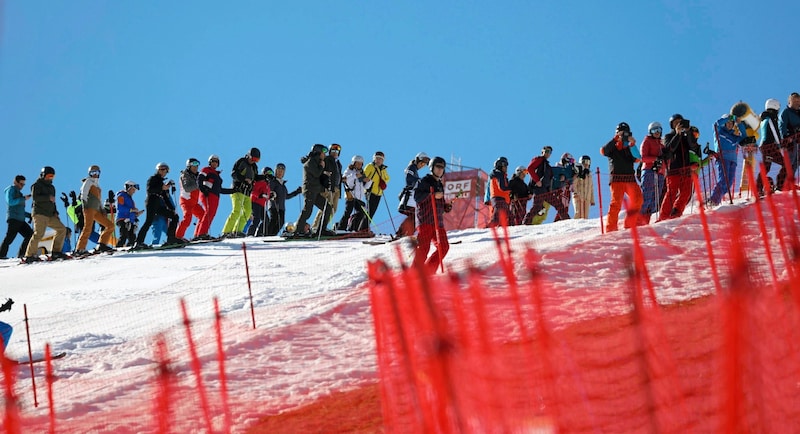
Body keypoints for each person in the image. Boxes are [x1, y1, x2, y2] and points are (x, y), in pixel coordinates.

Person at [600, 122, 643, 232]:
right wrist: (615, 139)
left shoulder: (629, 148)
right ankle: (611, 228)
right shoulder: (612, 148)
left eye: (626, 133)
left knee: (638, 199)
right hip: (617, 180)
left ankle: (629, 223)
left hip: (630, 179)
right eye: (622, 133)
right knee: (616, 203)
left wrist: (633, 144)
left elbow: (638, 158)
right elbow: (603, 151)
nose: (624, 135)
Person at [658, 114, 701, 221]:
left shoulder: (686, 136)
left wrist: (689, 131)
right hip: (673, 169)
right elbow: (669, 149)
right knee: (671, 193)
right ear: (672, 125)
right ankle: (663, 216)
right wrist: (677, 134)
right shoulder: (668, 136)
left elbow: (693, 146)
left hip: (686, 169)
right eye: (675, 122)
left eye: (680, 122)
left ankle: (676, 212)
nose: (678, 124)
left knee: (686, 193)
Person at [413, 156, 451, 274]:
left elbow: (439, 201)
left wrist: (445, 206)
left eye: (442, 168)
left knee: (443, 247)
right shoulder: (424, 181)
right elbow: (417, 197)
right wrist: (432, 195)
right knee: (424, 248)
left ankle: (428, 272)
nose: (440, 170)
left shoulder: (439, 184)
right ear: (432, 167)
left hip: (437, 222)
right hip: (425, 220)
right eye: (437, 167)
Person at [132, 163, 183, 250]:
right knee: (148, 222)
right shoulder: (153, 179)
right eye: (161, 169)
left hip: (157, 204)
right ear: (157, 170)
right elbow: (150, 190)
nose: (163, 172)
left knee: (174, 216)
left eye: (165, 170)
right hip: (151, 202)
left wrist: (172, 208)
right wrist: (161, 188)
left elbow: (165, 197)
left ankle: (171, 238)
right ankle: (138, 242)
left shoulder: (161, 182)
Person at [23, 166, 68, 262]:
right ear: (43, 175)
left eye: (52, 176)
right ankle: (30, 255)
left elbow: (53, 202)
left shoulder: (52, 187)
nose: (50, 178)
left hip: (50, 214)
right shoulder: (37, 185)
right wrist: (48, 197)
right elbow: (35, 198)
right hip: (40, 213)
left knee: (62, 229)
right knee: (39, 233)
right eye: (49, 176)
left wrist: (55, 212)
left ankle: (56, 252)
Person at [708, 114, 752, 206]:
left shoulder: (734, 136)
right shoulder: (719, 131)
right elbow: (716, 124)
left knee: (729, 183)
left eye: (731, 123)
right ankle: (713, 200)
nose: (729, 124)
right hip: (723, 158)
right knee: (723, 180)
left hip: (733, 160)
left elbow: (744, 137)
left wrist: (739, 124)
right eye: (727, 123)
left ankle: (716, 200)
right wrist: (730, 118)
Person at [293, 144, 334, 237]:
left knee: (327, 207)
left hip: (315, 190)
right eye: (323, 152)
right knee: (307, 211)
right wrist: (322, 167)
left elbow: (318, 176)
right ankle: (298, 230)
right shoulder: (310, 162)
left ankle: (321, 229)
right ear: (318, 152)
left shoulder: (316, 162)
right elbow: (316, 173)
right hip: (310, 190)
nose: (324, 155)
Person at [74, 165, 116, 255]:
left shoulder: (97, 185)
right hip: (89, 208)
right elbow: (83, 193)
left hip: (96, 210)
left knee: (110, 225)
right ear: (89, 173)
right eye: (93, 173)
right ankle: (80, 249)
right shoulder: (88, 181)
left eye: (97, 173)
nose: (95, 175)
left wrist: (102, 209)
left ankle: (102, 244)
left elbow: (99, 200)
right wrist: (84, 205)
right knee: (88, 228)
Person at [222, 148, 260, 238]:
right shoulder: (241, 161)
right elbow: (234, 174)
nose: (254, 161)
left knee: (247, 212)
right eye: (253, 158)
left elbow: (256, 178)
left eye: (256, 160)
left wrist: (265, 177)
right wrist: (243, 180)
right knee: (236, 211)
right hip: (238, 190)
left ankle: (238, 230)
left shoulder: (254, 167)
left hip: (247, 193)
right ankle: (226, 231)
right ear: (248, 155)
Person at [195, 155, 233, 240]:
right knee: (209, 213)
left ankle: (201, 233)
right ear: (210, 162)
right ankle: (201, 233)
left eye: (216, 162)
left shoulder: (217, 175)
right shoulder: (206, 170)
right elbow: (199, 179)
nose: (215, 163)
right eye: (213, 161)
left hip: (215, 196)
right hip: (208, 194)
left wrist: (233, 190)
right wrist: (203, 189)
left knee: (211, 214)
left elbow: (220, 190)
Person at [396, 152, 430, 237]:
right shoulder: (411, 167)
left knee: (415, 216)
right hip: (409, 198)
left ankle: (404, 233)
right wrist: (421, 182)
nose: (422, 165)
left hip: (412, 199)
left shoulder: (414, 170)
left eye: (424, 164)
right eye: (422, 163)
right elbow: (409, 179)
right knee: (415, 216)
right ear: (417, 160)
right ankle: (402, 233)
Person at [639, 122, 666, 224]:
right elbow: (643, 158)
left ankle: (645, 221)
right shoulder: (647, 141)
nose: (657, 132)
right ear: (650, 132)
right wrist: (655, 159)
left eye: (659, 130)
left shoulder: (661, 144)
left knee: (654, 200)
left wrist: (666, 159)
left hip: (660, 173)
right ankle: (638, 221)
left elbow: (665, 159)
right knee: (647, 196)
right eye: (654, 130)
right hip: (649, 170)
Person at [312, 144, 343, 234]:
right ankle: (316, 226)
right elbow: (319, 169)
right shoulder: (327, 159)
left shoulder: (338, 163)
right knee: (325, 207)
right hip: (328, 188)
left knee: (333, 209)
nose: (335, 153)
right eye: (333, 151)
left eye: (337, 152)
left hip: (336, 188)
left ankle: (323, 226)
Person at [1, 175, 33, 260]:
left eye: (24, 184)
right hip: (14, 218)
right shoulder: (11, 189)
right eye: (21, 184)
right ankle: (1, 255)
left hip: (20, 219)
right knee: (9, 238)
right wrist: (23, 199)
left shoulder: (19, 193)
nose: (22, 186)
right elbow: (10, 202)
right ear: (15, 182)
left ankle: (22, 254)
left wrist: (29, 215)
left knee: (30, 234)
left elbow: (20, 210)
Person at [523, 146, 555, 225]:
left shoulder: (547, 165)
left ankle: (566, 218)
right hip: (539, 188)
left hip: (546, 190)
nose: (548, 153)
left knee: (557, 203)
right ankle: (526, 222)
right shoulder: (539, 159)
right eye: (547, 151)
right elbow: (530, 168)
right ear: (542, 151)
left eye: (550, 152)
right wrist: (537, 180)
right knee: (537, 206)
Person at [267, 163, 301, 236]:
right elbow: (269, 191)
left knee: (281, 222)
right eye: (278, 171)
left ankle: (272, 235)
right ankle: (268, 234)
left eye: (282, 171)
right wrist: (272, 194)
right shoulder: (273, 181)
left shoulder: (283, 186)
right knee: (274, 219)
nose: (280, 173)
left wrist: (296, 192)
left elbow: (286, 196)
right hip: (273, 205)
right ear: (275, 171)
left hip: (281, 207)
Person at [342, 155, 373, 232]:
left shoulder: (362, 173)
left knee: (362, 212)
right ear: (354, 163)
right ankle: (341, 228)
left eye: (361, 164)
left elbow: (366, 187)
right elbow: (345, 179)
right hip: (350, 195)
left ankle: (353, 228)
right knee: (348, 212)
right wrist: (355, 176)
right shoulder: (349, 171)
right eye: (357, 163)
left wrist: (369, 181)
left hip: (358, 198)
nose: (359, 165)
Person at [176, 158, 205, 241]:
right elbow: (187, 188)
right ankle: (177, 237)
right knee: (187, 219)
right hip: (186, 200)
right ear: (189, 166)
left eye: (197, 165)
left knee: (203, 215)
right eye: (194, 165)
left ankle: (198, 234)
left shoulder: (198, 176)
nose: (196, 167)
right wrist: (198, 184)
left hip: (194, 202)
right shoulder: (185, 175)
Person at [758, 98, 782, 195]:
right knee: (785, 163)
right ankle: (759, 188)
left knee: (766, 167)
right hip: (770, 146)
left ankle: (760, 187)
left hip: (765, 146)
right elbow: (775, 131)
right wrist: (780, 144)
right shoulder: (771, 118)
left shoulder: (765, 118)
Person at [778, 92, 800, 190]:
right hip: (790, 139)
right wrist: (785, 138)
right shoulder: (786, 112)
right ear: (789, 101)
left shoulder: (799, 113)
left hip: (798, 141)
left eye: (798, 101)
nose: (797, 103)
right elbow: (782, 125)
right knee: (790, 161)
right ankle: (782, 183)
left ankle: (789, 183)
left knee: (796, 162)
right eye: (794, 101)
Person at [363, 152, 390, 221]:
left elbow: (387, 178)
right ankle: (362, 228)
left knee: (372, 212)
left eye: (380, 159)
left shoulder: (383, 169)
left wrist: (382, 182)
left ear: (383, 160)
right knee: (368, 211)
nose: (378, 160)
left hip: (379, 193)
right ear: (374, 159)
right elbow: (363, 176)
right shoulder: (370, 166)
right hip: (370, 191)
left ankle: (365, 228)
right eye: (377, 158)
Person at [115, 181, 143, 247]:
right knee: (124, 235)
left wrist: (136, 214)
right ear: (128, 188)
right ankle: (119, 248)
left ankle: (130, 248)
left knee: (132, 237)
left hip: (130, 220)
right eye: (133, 190)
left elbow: (130, 212)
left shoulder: (129, 198)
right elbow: (120, 207)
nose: (134, 192)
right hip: (122, 219)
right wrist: (131, 210)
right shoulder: (121, 195)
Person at [247, 167, 273, 237]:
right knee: (256, 219)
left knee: (266, 220)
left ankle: (259, 234)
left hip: (261, 204)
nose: (270, 175)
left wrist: (270, 196)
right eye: (268, 173)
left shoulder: (268, 185)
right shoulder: (260, 182)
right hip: (255, 202)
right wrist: (260, 195)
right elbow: (253, 191)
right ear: (264, 173)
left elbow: (266, 196)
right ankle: (250, 234)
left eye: (271, 173)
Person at [488, 157, 511, 226]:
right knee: (498, 217)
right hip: (499, 198)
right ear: (500, 165)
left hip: (501, 198)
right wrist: (511, 188)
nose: (506, 168)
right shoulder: (499, 174)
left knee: (507, 217)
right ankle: (488, 230)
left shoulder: (500, 175)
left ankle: (502, 231)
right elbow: (502, 188)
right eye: (505, 165)